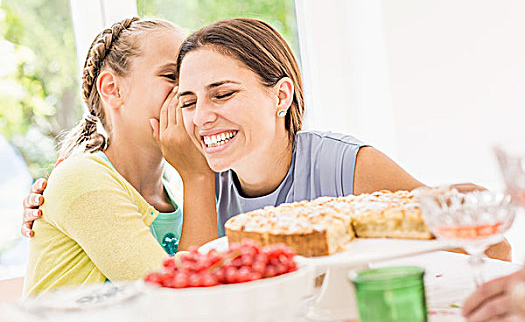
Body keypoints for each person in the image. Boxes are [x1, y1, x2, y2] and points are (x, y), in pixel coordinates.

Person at [23, 18, 511, 262]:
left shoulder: (344, 166)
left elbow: (479, 235)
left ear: (281, 96)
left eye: (224, 93)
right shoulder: (197, 181)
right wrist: (48, 201)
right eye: (187, 98)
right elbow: (193, 293)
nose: (198, 116)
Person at [23, 17, 217, 296]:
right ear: (113, 90)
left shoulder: (176, 197)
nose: (187, 92)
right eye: (171, 76)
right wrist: (199, 176)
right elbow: (181, 303)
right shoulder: (83, 179)